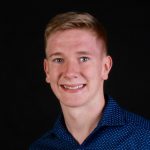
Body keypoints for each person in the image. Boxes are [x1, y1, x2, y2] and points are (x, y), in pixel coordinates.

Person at [29, 11, 150, 149]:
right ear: (47, 70)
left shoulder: (145, 138)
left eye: (84, 58)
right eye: (58, 60)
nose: (70, 72)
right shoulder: (40, 147)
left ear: (105, 67)